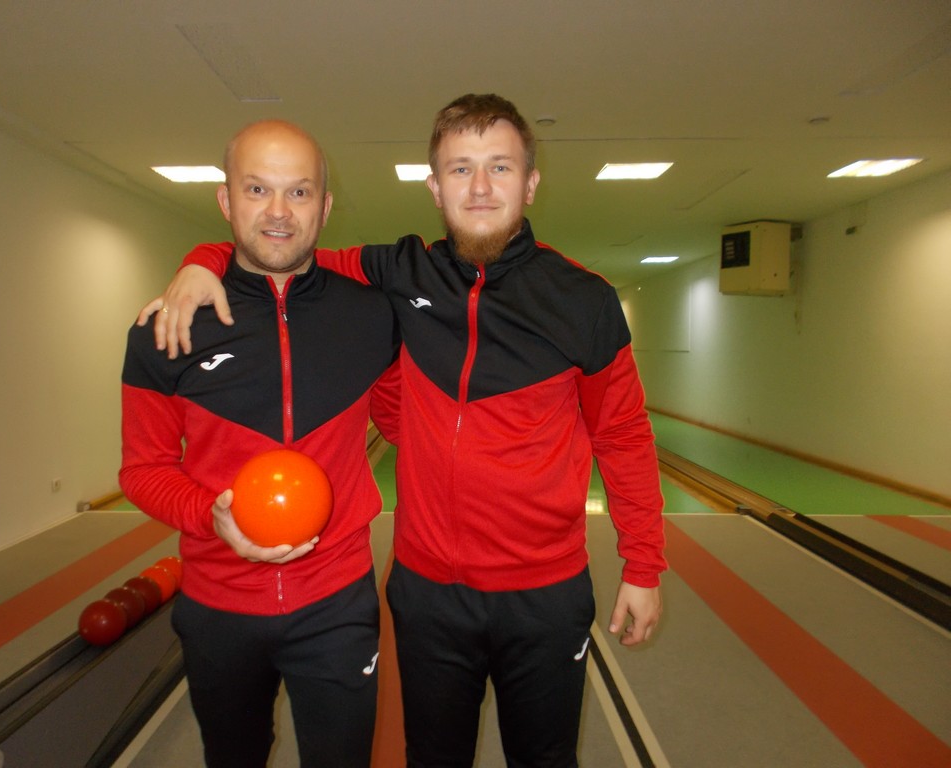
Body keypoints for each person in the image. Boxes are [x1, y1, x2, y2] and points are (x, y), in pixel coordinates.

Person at [141, 94, 665, 768]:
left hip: (544, 594)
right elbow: (282, 249)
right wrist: (202, 259)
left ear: (531, 183)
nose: (480, 187)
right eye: (460, 169)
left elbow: (623, 436)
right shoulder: (399, 271)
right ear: (434, 187)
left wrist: (642, 566)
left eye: (500, 167)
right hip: (427, 593)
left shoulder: (584, 301)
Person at [120, 119, 400, 768]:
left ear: (324, 206)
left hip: (337, 600)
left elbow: (406, 423)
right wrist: (208, 515)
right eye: (257, 189)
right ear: (226, 200)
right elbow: (142, 469)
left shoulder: (369, 316)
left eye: (299, 192)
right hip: (217, 606)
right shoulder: (167, 328)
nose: (278, 211)